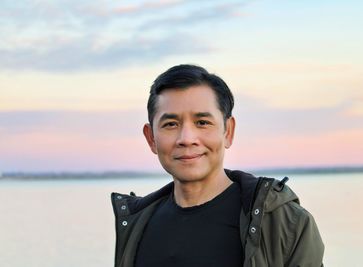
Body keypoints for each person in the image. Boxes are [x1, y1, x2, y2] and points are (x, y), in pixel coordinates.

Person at [111, 64, 324, 267]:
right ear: (151, 139)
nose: (186, 138)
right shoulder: (136, 225)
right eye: (171, 124)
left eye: (202, 122)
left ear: (228, 131)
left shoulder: (283, 222)